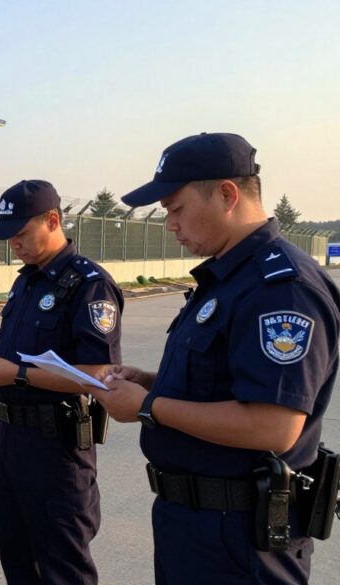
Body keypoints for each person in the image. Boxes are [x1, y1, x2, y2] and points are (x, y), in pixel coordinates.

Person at [91, 133, 340, 585]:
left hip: (240, 541)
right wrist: (149, 381)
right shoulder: (229, 279)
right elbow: (216, 383)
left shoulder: (280, 287)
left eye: (176, 208)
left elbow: (273, 426)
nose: (170, 223)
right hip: (193, 524)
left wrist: (147, 407)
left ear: (226, 194)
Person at [0, 180, 122, 585]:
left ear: (53, 221)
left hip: (56, 448)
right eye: (9, 236)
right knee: (18, 559)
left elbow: (99, 374)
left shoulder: (88, 284)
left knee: (62, 567)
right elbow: (13, 349)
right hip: (11, 440)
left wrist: (19, 376)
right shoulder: (27, 280)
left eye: (21, 234)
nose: (15, 244)